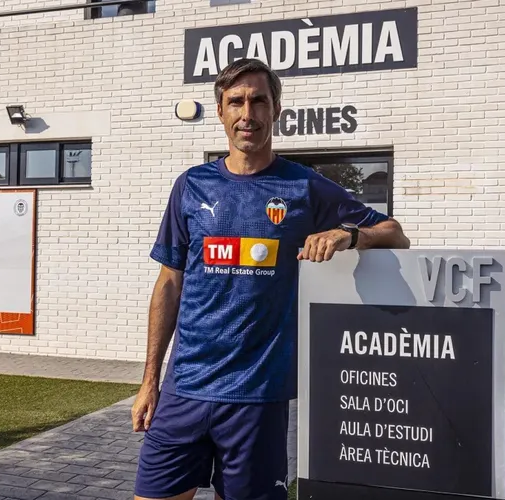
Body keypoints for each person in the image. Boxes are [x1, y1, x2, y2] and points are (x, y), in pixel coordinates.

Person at [131, 58, 410, 500]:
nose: (248, 113)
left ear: (276, 109)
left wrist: (348, 234)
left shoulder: (304, 187)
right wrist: (150, 383)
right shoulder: (191, 185)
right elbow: (169, 283)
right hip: (183, 390)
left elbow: (396, 234)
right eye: (236, 102)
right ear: (220, 111)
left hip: (257, 399)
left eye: (259, 100)